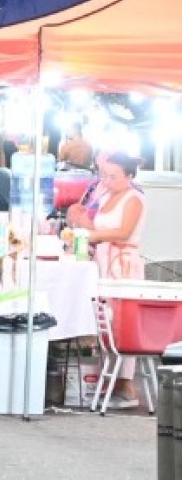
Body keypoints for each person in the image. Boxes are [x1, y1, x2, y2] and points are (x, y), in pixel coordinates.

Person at [68, 152, 146, 407]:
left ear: (129, 176)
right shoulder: (105, 196)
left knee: (123, 320)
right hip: (102, 260)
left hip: (123, 263)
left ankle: (125, 382)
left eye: (114, 176)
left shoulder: (134, 198)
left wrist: (92, 233)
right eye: (105, 175)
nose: (108, 180)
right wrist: (80, 219)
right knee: (103, 319)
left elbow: (123, 232)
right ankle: (106, 377)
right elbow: (94, 227)